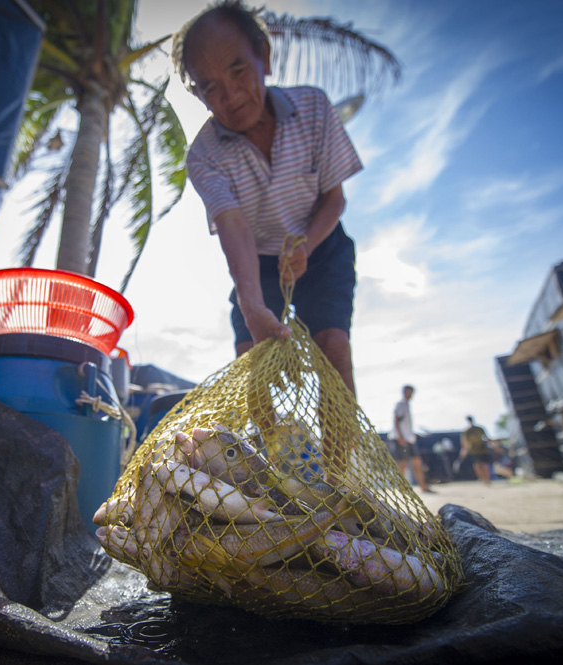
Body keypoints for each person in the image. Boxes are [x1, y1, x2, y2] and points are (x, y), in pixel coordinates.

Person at [173, 1, 362, 394]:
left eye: (238, 71)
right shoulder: (204, 156)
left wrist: (306, 245)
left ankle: (339, 458)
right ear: (200, 97)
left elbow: (334, 200)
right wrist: (252, 305)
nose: (230, 95)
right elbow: (233, 223)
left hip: (323, 248)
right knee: (251, 358)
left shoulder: (313, 107)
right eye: (210, 87)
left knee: (334, 349)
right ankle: (264, 452)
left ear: (264, 57)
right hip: (256, 262)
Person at [392, 385, 433, 493]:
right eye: (408, 392)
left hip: (410, 438)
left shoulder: (407, 405)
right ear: (404, 392)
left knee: (417, 462)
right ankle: (402, 487)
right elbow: (396, 420)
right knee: (403, 464)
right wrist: (401, 437)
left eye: (411, 393)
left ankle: (423, 486)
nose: (410, 395)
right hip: (402, 438)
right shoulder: (400, 405)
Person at [459, 415, 493, 485]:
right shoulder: (468, 431)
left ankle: (486, 479)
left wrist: (464, 450)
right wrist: (464, 450)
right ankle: (484, 479)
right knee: (479, 465)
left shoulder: (477, 429)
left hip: (481, 449)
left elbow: (486, 438)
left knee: (482, 465)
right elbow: (464, 441)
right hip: (475, 450)